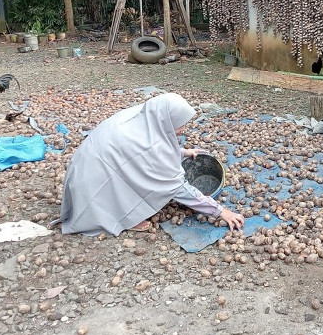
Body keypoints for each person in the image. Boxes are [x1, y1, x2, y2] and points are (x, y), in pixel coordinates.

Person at [59, 92, 244, 236]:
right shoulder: (149, 146)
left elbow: (150, 151)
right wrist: (220, 212)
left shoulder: (146, 116)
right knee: (139, 191)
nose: (183, 129)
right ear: (166, 120)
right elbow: (178, 187)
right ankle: (122, 217)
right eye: (181, 124)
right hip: (92, 184)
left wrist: (183, 153)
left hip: (89, 166)